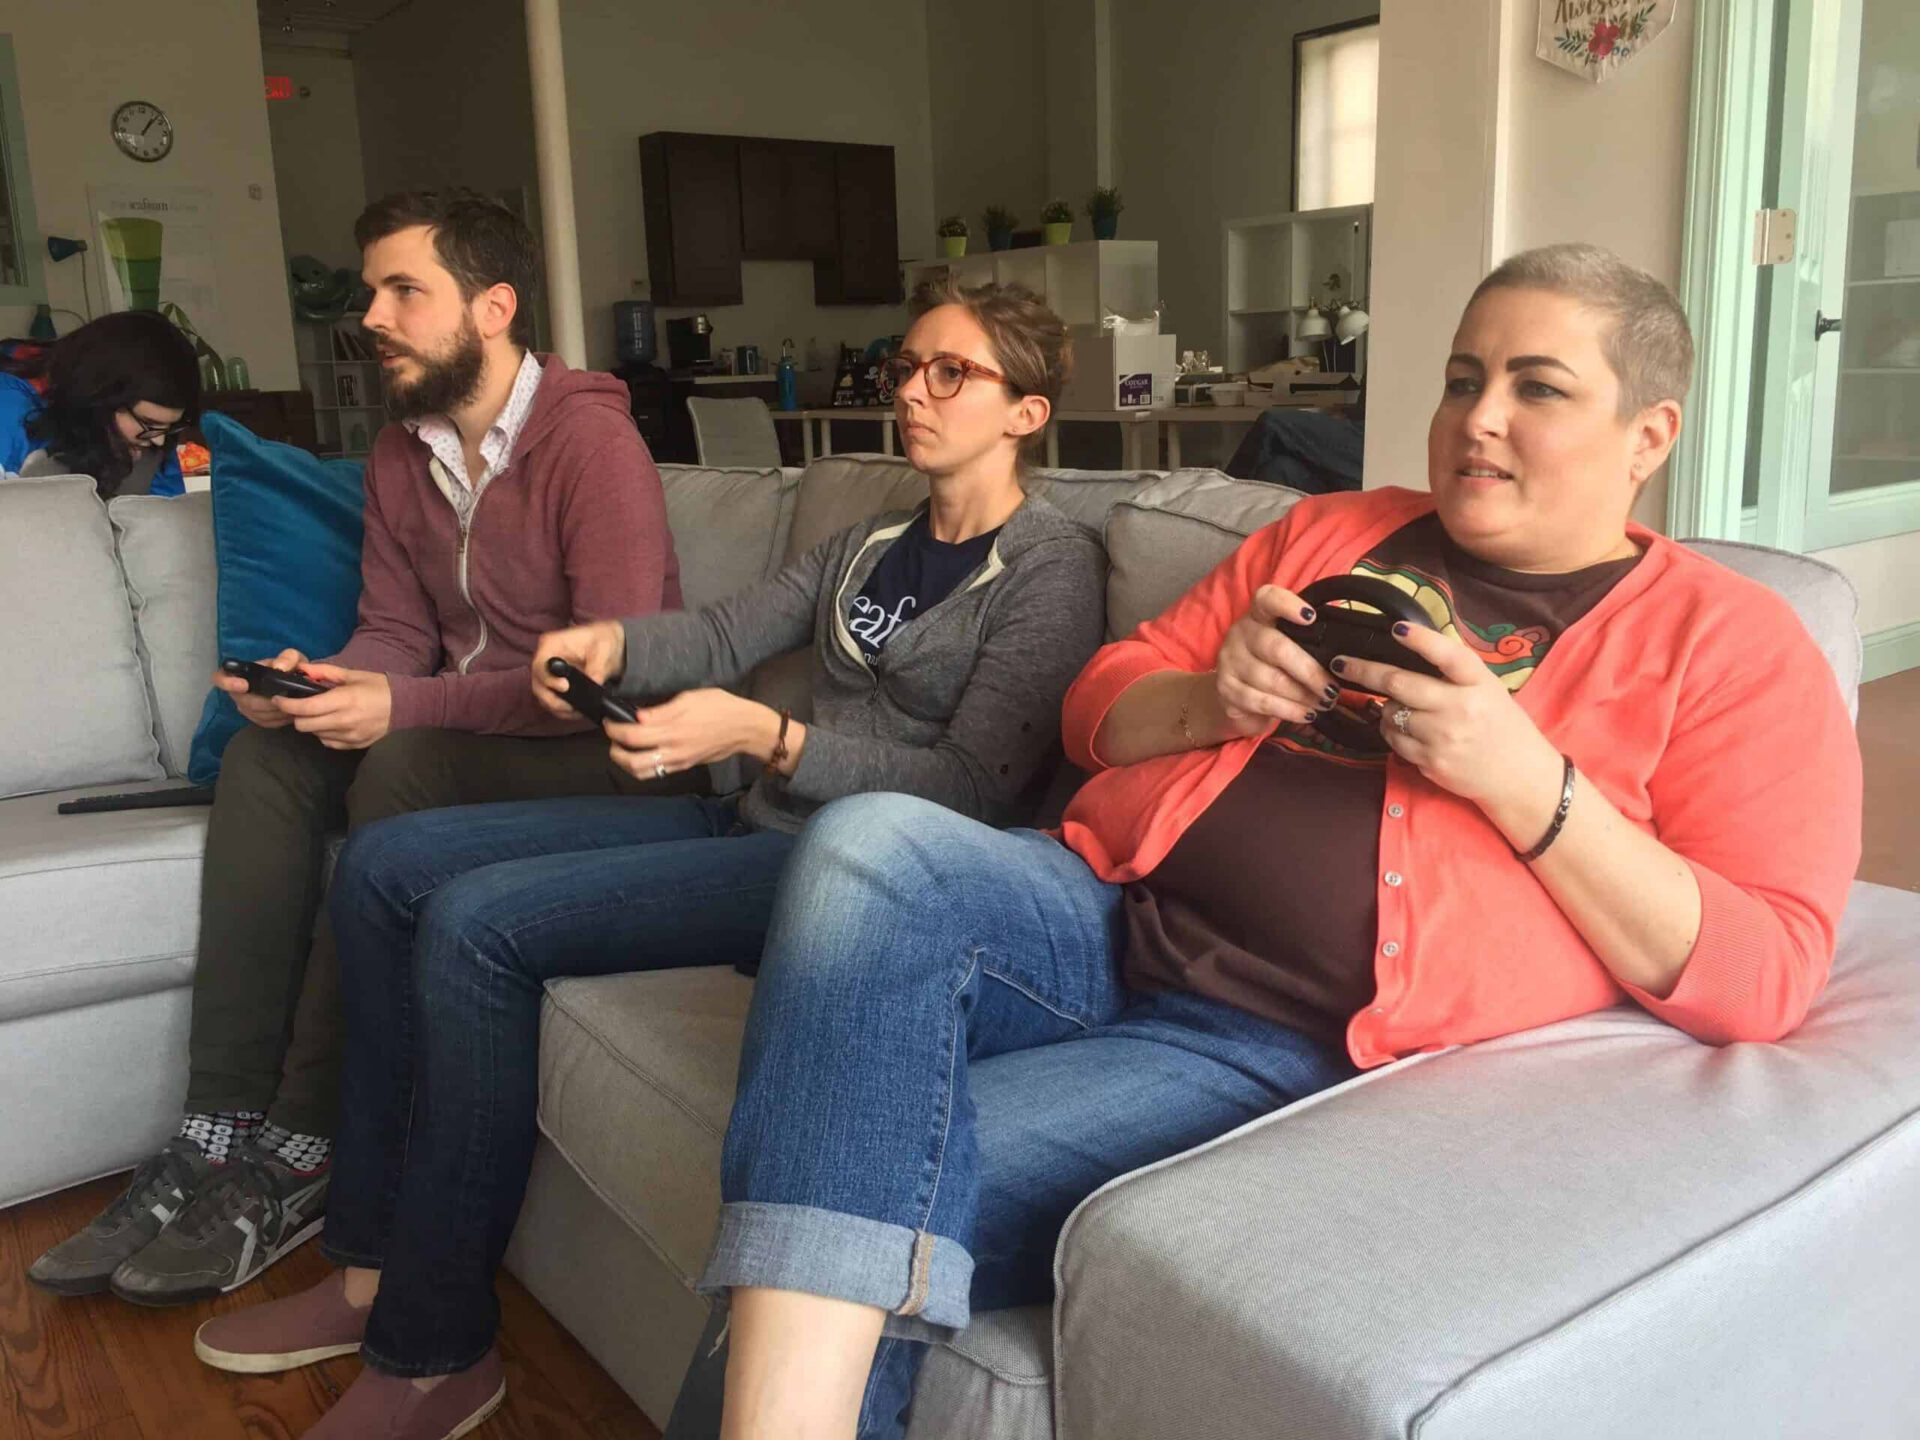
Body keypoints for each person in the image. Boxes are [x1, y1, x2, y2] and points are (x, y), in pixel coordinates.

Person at [670, 243, 1864, 1439]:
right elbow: (1096, 704)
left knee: (834, 1181)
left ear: (1648, 436)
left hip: (1269, 1038)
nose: (1477, 418)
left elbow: (1768, 968)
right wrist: (1211, 698)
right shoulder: (1332, 530)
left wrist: (1528, 785)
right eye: (1462, 379)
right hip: (1103, 911)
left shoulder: (1732, 646)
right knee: (869, 843)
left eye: (1536, 388)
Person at [188, 277, 1109, 1440]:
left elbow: (975, 790)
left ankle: (434, 1349)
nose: (912, 394)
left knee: (474, 925)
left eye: (950, 373)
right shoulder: (875, 540)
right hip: (749, 819)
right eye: (905, 369)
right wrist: (613, 645)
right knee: (383, 866)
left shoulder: (1048, 567)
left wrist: (768, 735)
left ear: (1026, 411)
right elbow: (726, 631)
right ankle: (366, 1263)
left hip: (840, 881)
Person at [28, 189, 683, 1307]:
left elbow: (605, 682)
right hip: (466, 733)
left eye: (402, 291)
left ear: (492, 308)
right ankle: (216, 1121)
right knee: (268, 758)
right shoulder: (399, 452)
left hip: (612, 759)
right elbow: (396, 633)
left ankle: (305, 1141)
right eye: (372, 290)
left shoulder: (593, 444)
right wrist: (325, 684)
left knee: (403, 762)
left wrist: (403, 708)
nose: (371, 316)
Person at [0, 310, 200, 497]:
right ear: (101, 397)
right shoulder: (10, 410)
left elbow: (164, 508)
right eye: (148, 423)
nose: (159, 441)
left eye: (171, 427)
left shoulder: (151, 432)